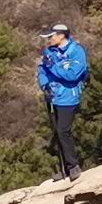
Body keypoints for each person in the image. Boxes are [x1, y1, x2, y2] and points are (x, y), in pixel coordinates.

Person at [37, 22, 91, 180]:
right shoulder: (49, 51)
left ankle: (73, 166)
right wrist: (45, 84)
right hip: (53, 98)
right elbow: (42, 70)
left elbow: (72, 76)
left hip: (69, 97)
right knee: (57, 132)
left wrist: (53, 67)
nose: (49, 40)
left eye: (51, 36)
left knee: (63, 131)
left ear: (61, 36)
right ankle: (64, 169)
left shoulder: (77, 52)